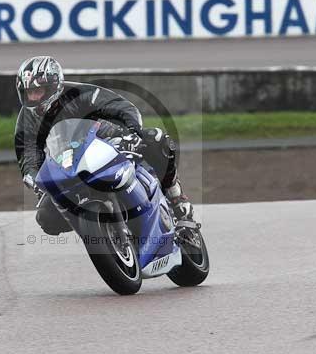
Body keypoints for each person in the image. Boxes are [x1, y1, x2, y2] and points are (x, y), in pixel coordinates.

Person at [13, 55, 195, 235]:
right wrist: (36, 179)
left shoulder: (79, 93)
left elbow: (121, 107)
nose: (34, 98)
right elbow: (27, 154)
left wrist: (132, 132)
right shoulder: (26, 118)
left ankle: (176, 198)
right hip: (66, 165)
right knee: (46, 218)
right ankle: (95, 230)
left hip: (106, 143)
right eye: (29, 93)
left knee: (156, 139)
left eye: (39, 91)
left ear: (54, 85)